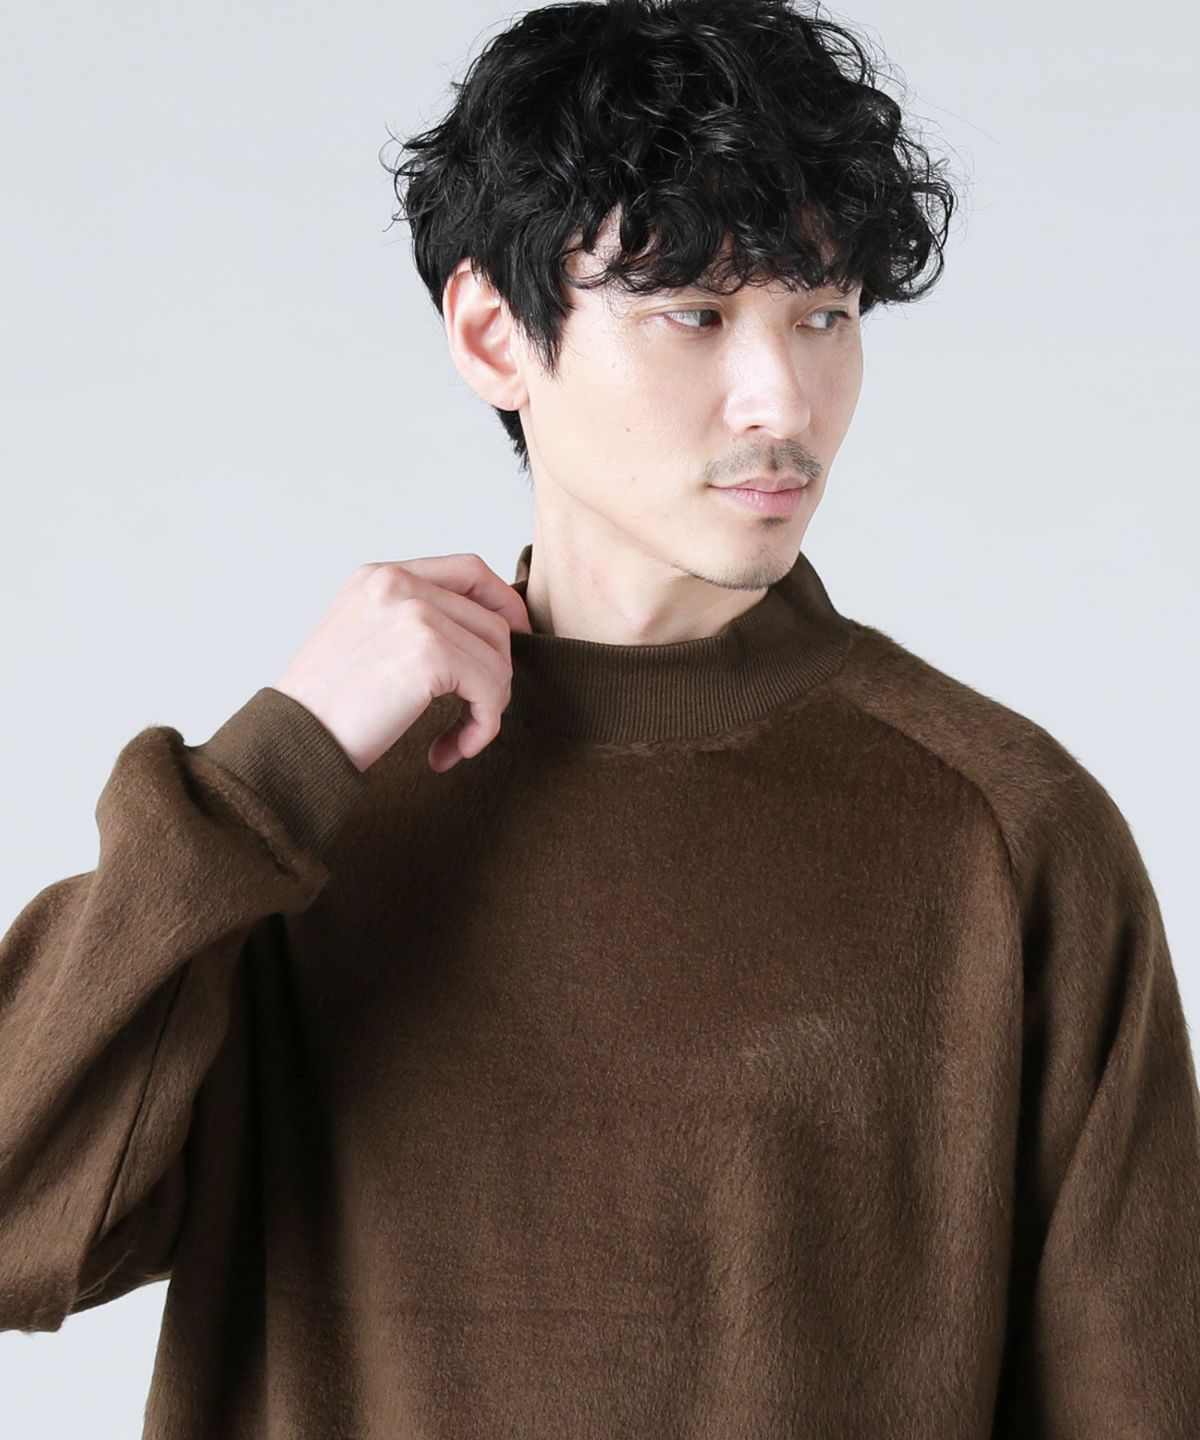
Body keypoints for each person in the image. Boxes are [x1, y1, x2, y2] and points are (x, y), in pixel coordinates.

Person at [2, 0, 1197, 1435]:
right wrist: (274, 767)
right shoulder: (301, 826)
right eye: (696, 312)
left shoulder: (1008, 831)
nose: (783, 397)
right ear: (493, 333)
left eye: (823, 314)